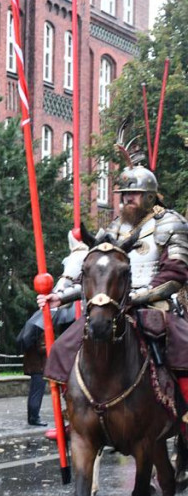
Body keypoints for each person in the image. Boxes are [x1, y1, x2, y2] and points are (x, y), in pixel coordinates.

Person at [40, 164, 188, 418]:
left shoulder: (171, 223)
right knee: (65, 347)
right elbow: (97, 275)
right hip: (113, 303)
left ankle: (183, 417)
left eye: (134, 193)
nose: (127, 198)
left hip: (156, 303)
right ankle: (76, 413)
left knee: (183, 349)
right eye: (123, 194)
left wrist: (134, 298)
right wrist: (61, 296)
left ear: (150, 196)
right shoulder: (113, 229)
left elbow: (174, 275)